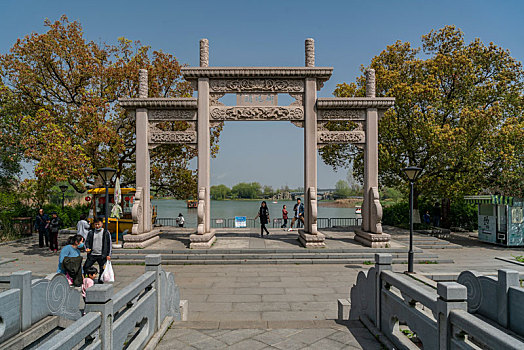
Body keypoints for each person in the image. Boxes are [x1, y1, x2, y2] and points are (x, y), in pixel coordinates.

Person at [84, 217, 112, 284]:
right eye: (95, 224)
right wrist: (87, 248)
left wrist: (109, 254)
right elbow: (87, 242)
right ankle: (86, 279)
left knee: (102, 269)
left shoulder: (106, 232)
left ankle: (101, 280)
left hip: (102, 255)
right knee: (86, 267)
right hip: (92, 254)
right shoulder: (91, 232)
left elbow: (109, 244)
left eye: (98, 224)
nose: (97, 226)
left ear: (102, 224)